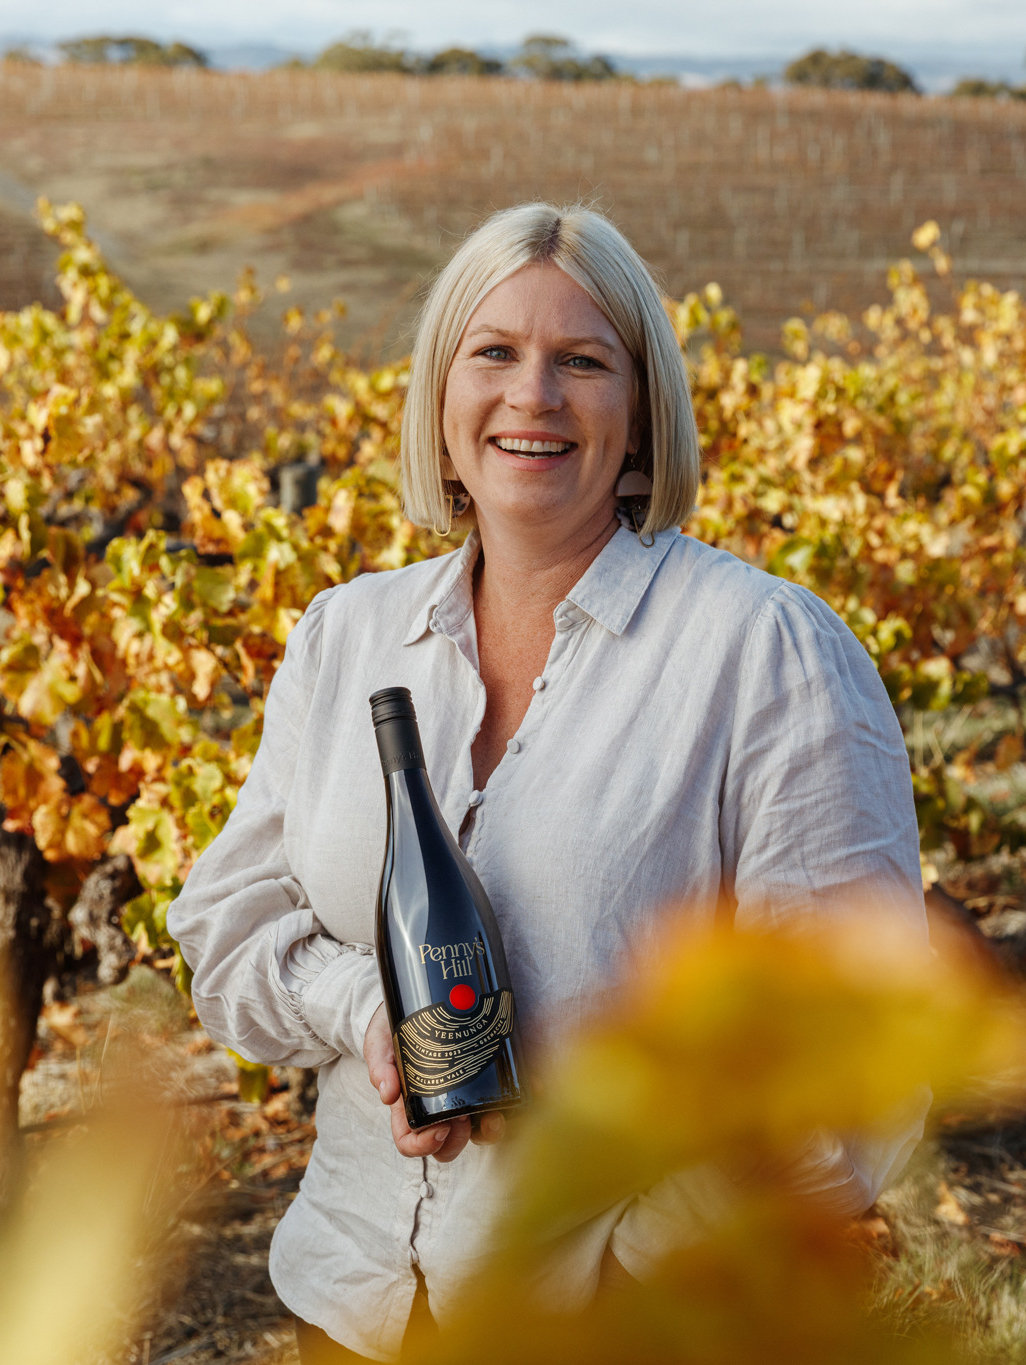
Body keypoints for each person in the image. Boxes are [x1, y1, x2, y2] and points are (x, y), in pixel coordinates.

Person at [169, 203, 929, 1362]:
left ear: (640, 416)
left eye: (582, 361)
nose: (533, 396)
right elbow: (227, 933)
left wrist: (638, 1254)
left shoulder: (761, 650)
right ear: (441, 394)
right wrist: (369, 1012)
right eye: (495, 354)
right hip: (351, 1306)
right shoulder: (346, 637)